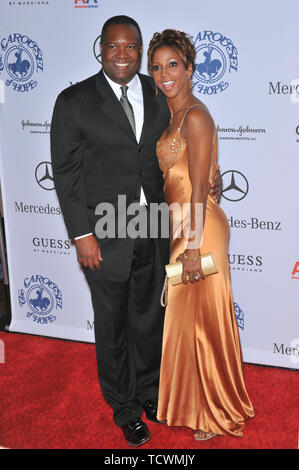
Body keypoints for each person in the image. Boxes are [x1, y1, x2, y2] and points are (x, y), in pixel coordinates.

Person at [51, 16, 221, 446]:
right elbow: (66, 176)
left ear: (139, 50)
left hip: (154, 226)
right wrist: (81, 235)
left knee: (149, 318)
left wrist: (208, 173)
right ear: (101, 49)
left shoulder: (155, 90)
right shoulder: (73, 102)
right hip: (104, 232)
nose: (122, 54)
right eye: (114, 47)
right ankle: (124, 407)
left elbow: (179, 140)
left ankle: (148, 391)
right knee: (112, 326)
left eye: (131, 47)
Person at [148, 29, 254, 441]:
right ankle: (194, 403)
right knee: (187, 321)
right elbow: (207, 175)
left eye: (173, 65)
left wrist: (192, 247)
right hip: (182, 226)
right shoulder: (173, 112)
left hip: (198, 231)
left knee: (205, 323)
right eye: (156, 67)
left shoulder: (193, 114)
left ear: (190, 68)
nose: (164, 74)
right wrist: (216, 180)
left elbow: (196, 187)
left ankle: (216, 410)